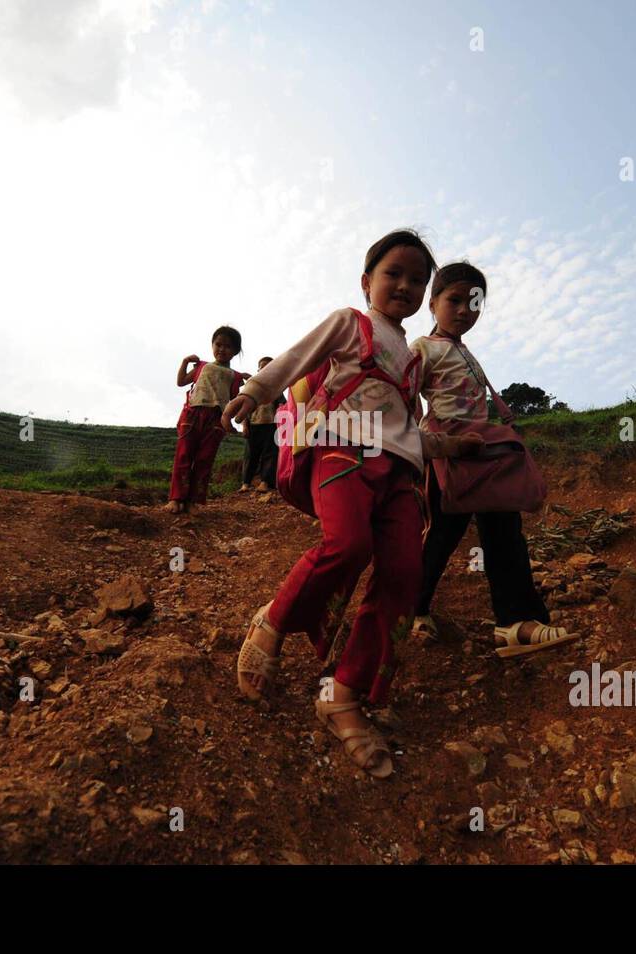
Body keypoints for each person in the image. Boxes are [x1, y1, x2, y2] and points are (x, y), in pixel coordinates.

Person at [221, 230, 481, 778]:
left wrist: (452, 446)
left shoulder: (412, 364)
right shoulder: (349, 323)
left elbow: (407, 430)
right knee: (347, 545)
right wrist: (257, 392)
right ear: (367, 282)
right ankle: (272, 624)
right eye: (394, 273)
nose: (405, 286)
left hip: (402, 475)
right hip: (343, 449)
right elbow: (297, 357)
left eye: (417, 280)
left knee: (404, 578)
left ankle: (342, 695)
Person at [409, 262, 579, 657]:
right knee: (438, 538)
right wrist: (422, 447)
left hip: (484, 457)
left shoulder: (466, 352)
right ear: (433, 303)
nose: (465, 310)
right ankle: (409, 611)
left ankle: (515, 623)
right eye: (454, 300)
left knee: (505, 534)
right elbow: (404, 400)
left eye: (474, 302)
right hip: (448, 457)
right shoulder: (422, 348)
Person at [167, 326, 247, 514]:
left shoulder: (235, 376)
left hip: (216, 419)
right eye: (218, 344)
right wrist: (185, 362)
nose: (222, 349)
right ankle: (176, 498)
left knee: (204, 459)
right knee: (183, 455)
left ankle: (192, 501)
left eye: (228, 346)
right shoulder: (202, 366)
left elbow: (233, 400)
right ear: (212, 345)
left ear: (235, 351)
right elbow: (181, 382)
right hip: (193, 415)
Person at [239, 356, 282, 492]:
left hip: (271, 426)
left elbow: (282, 406)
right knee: (250, 455)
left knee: (269, 454)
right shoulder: (251, 387)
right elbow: (245, 409)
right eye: (262, 367)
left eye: (268, 367)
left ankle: (265, 482)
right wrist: (245, 426)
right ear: (258, 370)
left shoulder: (277, 388)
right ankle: (246, 483)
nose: (265, 370)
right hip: (254, 425)